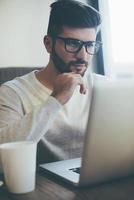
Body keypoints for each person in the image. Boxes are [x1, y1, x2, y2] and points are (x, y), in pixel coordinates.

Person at [0, 0, 102, 164]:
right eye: (73, 43)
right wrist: (56, 99)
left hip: (100, 178)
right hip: (44, 186)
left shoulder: (104, 87)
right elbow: (2, 158)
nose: (83, 56)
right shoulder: (12, 92)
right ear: (48, 44)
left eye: (90, 45)